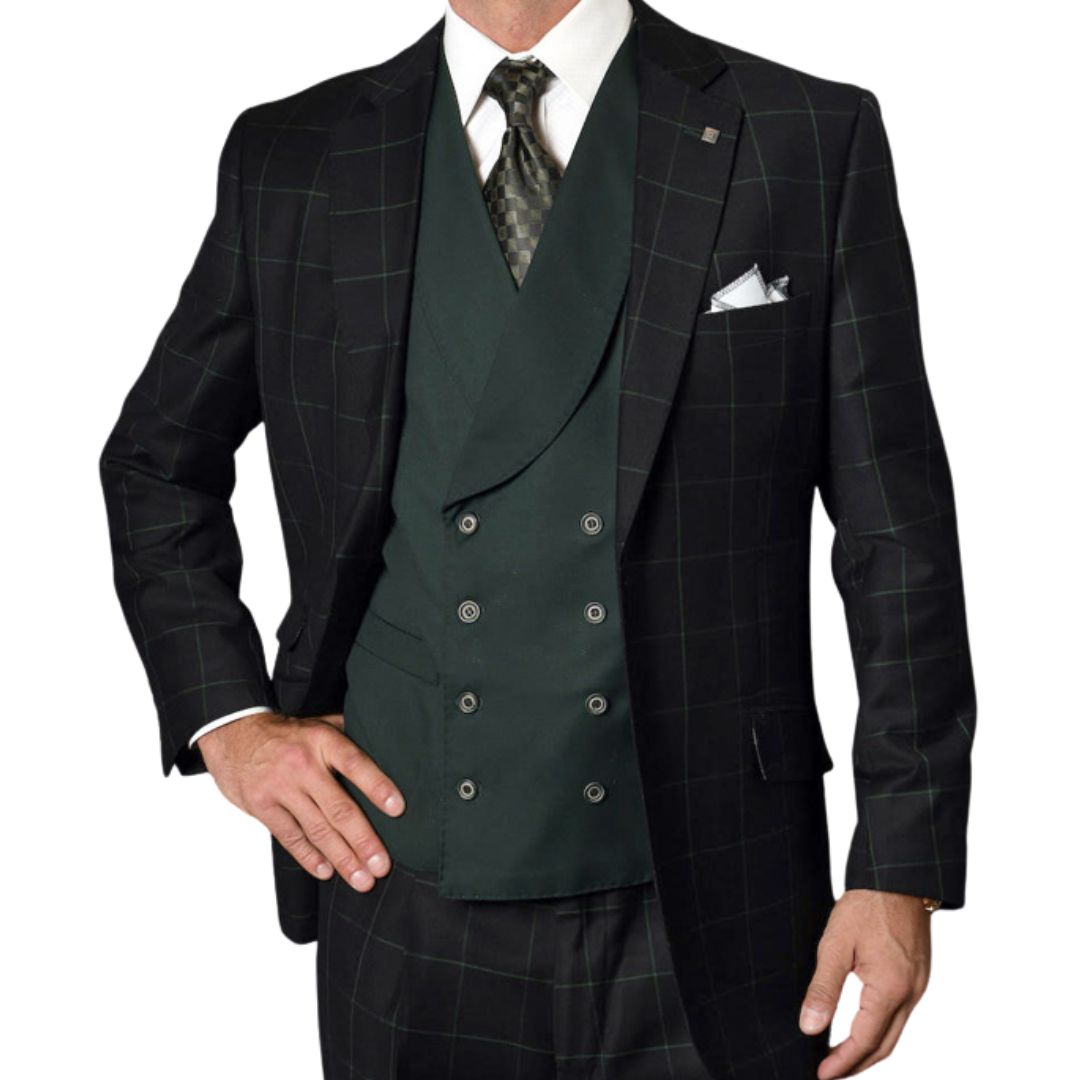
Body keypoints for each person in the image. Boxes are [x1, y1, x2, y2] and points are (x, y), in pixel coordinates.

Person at [99, 0, 977, 1077]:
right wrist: (230, 722)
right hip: (401, 891)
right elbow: (156, 466)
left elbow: (897, 531)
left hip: (717, 894)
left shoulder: (802, 134)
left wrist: (901, 861)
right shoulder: (296, 156)